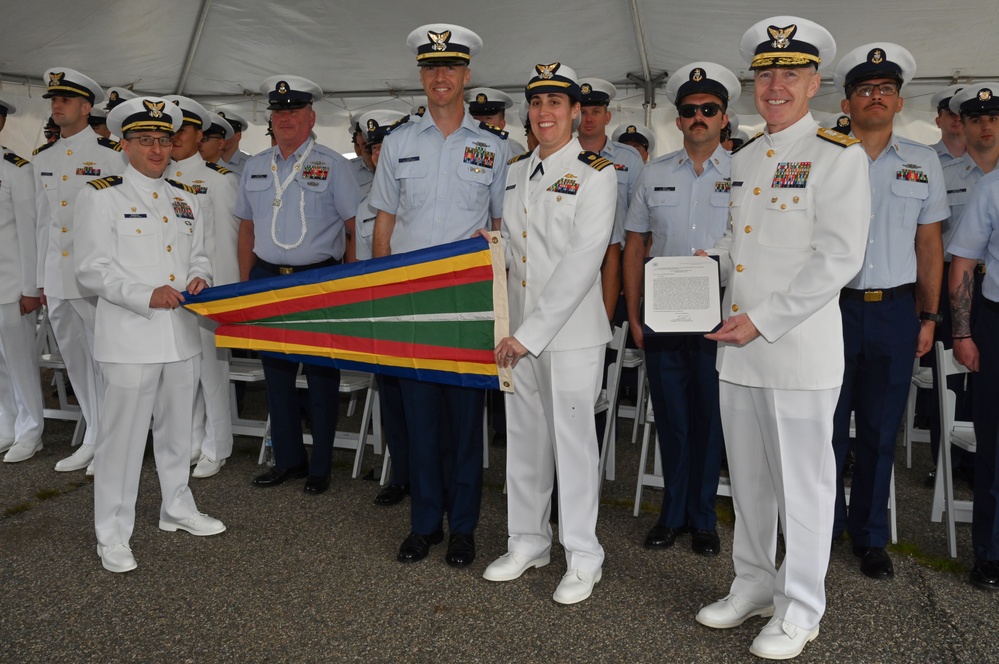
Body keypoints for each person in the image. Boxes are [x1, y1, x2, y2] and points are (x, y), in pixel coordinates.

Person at [692, 17, 871, 660]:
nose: (775, 85)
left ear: (814, 83)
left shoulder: (837, 154)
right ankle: (753, 585)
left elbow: (839, 258)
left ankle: (801, 609)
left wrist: (764, 320)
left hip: (794, 349)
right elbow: (742, 248)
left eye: (789, 74)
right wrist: (696, 267)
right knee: (749, 481)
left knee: (804, 486)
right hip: (737, 351)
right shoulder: (742, 157)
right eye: (766, 73)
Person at [371, 24, 510, 567]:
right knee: (419, 420)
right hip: (408, 302)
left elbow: (502, 226)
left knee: (464, 421)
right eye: (431, 68)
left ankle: (465, 529)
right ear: (422, 76)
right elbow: (383, 223)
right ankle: (424, 524)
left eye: (450, 67)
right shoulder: (399, 143)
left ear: (467, 75)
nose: (441, 76)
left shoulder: (495, 147)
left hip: (467, 304)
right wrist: (378, 294)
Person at [482, 61, 615, 604]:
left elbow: (582, 263)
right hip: (517, 332)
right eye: (536, 104)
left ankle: (583, 556)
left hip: (572, 335)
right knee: (526, 441)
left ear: (576, 112)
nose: (544, 113)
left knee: (574, 447)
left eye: (555, 104)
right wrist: (490, 246)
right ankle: (528, 541)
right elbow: (517, 249)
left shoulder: (596, 172)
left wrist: (528, 333)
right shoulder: (515, 170)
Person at [75, 97, 226, 573]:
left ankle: (176, 507)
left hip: (180, 334)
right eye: (146, 140)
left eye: (164, 140)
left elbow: (198, 255)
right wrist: (145, 293)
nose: (157, 149)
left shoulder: (186, 196)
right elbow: (91, 271)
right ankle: (112, 535)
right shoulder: (102, 195)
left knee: (178, 432)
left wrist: (201, 277)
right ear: (125, 144)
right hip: (130, 336)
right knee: (122, 442)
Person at [829, 44, 947, 581]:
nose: (874, 98)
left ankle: (870, 536)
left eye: (884, 90)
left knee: (879, 431)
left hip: (896, 311)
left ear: (899, 102)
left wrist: (928, 317)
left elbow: (929, 246)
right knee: (824, 428)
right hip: (828, 309)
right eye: (863, 90)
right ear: (847, 101)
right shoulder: (822, 154)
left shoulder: (922, 163)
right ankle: (821, 527)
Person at [622, 61, 739, 557]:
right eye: (690, 111)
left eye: (708, 110)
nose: (699, 118)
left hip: (719, 318)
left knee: (711, 418)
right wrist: (633, 313)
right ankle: (672, 513)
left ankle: (704, 517)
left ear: (724, 117)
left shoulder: (744, 172)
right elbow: (633, 244)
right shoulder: (653, 173)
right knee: (670, 417)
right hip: (664, 318)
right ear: (678, 120)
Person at [237, 76, 361, 496]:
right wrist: (244, 284)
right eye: (278, 112)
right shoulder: (255, 165)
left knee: (322, 376)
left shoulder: (334, 163)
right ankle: (288, 460)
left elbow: (353, 226)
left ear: (311, 117)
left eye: (293, 111)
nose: (285, 119)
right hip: (268, 278)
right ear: (270, 119)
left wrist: (350, 285)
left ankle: (321, 467)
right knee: (276, 376)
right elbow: (247, 227)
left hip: (318, 280)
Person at [29, 68, 127, 470]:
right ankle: (94, 437)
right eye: (54, 100)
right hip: (57, 276)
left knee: (106, 360)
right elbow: (42, 222)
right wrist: (40, 280)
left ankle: (115, 441)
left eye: (65, 100)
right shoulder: (43, 157)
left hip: (94, 279)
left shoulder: (110, 154)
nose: (57, 106)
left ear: (86, 108)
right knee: (75, 361)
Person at [925, 85, 999, 485]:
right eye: (976, 119)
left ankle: (981, 463)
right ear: (961, 125)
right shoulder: (940, 170)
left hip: (995, 291)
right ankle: (948, 462)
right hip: (956, 283)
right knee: (950, 376)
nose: (986, 126)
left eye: (993, 118)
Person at [164, 95, 240, 479]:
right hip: (171, 296)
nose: (175, 136)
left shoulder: (218, 181)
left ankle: (218, 445)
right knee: (183, 372)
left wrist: (223, 297)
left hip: (208, 294)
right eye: (170, 129)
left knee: (212, 373)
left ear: (200, 135)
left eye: (184, 129)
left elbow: (226, 243)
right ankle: (192, 440)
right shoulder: (159, 178)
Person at [947, 119, 999, 589]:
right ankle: (992, 554)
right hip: (997, 324)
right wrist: (962, 333)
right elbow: (963, 258)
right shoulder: (992, 187)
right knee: (996, 447)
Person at [352, 109, 412, 506]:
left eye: (388, 148)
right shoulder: (365, 208)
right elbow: (361, 270)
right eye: (374, 149)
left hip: (423, 313)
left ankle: (433, 478)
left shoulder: (420, 199)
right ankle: (402, 474)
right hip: (386, 316)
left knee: (431, 407)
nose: (379, 156)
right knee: (394, 404)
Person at [576, 77, 643, 319]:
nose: (589, 118)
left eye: (596, 111)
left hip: (620, 260)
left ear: (608, 116)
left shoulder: (631, 158)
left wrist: (633, 273)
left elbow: (641, 218)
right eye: (583, 112)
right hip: (572, 260)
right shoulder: (560, 157)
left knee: (614, 339)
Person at [0, 95, 44, 461]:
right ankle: (6, 424)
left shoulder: (15, 169)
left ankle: (31, 431)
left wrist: (31, 288)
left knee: (20, 362)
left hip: (11, 284)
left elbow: (30, 232)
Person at [466, 87, 527, 155]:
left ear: (501, 125)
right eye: (476, 119)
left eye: (488, 118)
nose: (481, 124)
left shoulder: (512, 151)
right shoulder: (460, 145)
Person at [932, 85, 967, 165]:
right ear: (938, 122)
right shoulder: (924, 156)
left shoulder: (987, 157)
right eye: (952, 113)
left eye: (963, 114)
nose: (958, 118)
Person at [218, 110, 250, 176]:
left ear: (238, 136)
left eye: (225, 133)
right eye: (218, 133)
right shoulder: (208, 160)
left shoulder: (250, 164)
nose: (220, 137)